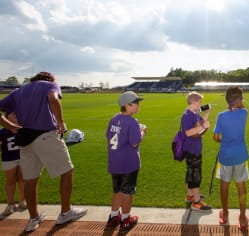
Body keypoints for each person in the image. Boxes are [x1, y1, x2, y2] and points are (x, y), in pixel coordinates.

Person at [0, 72, 87, 232]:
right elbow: (53, 99)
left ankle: (34, 219)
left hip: (25, 140)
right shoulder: (49, 85)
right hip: (46, 135)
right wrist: (60, 121)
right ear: (51, 79)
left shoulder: (18, 91)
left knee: (30, 180)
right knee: (67, 171)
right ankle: (65, 212)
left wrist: (11, 127)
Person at [105, 91, 146, 234]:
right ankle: (126, 219)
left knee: (117, 190)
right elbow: (135, 143)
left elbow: (109, 136)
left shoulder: (114, 118)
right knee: (127, 191)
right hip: (128, 163)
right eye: (136, 102)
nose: (138, 105)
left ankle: (113, 216)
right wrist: (142, 132)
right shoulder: (133, 121)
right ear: (128, 106)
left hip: (114, 161)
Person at [213, 86, 249, 231]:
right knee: (241, 186)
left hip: (226, 155)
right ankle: (242, 217)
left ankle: (225, 213)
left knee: (224, 184)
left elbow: (215, 137)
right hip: (240, 155)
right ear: (238, 100)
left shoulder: (221, 116)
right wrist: (239, 103)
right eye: (241, 98)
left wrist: (224, 141)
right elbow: (242, 107)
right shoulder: (244, 113)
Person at [181, 92, 212, 212]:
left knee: (191, 173)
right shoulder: (187, 115)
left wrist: (207, 114)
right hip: (192, 149)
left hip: (194, 148)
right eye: (199, 102)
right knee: (195, 176)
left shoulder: (195, 113)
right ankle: (196, 202)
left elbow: (202, 123)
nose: (201, 104)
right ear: (194, 102)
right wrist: (203, 128)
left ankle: (190, 196)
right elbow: (188, 132)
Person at [0, 112, 26, 218]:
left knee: (22, 180)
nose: (14, 114)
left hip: (23, 158)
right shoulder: (2, 132)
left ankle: (22, 200)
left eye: (16, 113)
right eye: (11, 114)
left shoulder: (23, 129)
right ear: (6, 118)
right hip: (9, 159)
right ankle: (10, 204)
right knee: (11, 181)